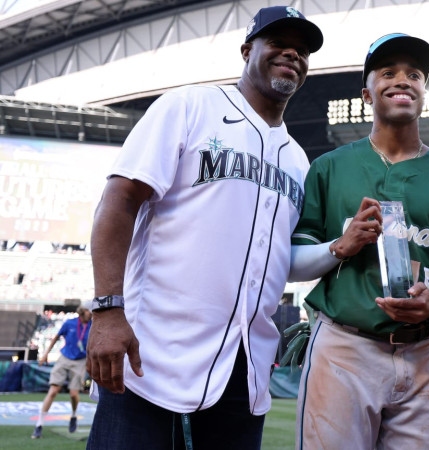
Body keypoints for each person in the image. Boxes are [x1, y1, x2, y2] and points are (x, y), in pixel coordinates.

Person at [84, 6, 323, 449]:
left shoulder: (297, 158)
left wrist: (340, 248)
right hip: (150, 355)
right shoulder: (190, 105)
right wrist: (107, 311)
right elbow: (119, 201)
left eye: (303, 49)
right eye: (278, 42)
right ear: (247, 50)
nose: (292, 53)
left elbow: (277, 261)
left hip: (244, 367)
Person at [289, 33, 429, 449]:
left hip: (424, 351)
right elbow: (291, 261)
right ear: (366, 94)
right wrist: (337, 247)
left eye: (414, 74)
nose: (403, 80)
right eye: (388, 72)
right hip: (344, 346)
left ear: (423, 93)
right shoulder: (328, 167)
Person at [31, 306, 92, 439]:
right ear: (83, 311)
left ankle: (74, 416)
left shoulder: (93, 325)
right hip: (64, 358)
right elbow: (56, 337)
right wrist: (45, 354)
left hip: (81, 361)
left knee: (73, 393)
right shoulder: (70, 323)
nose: (91, 313)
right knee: (53, 391)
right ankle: (39, 425)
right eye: (89, 311)